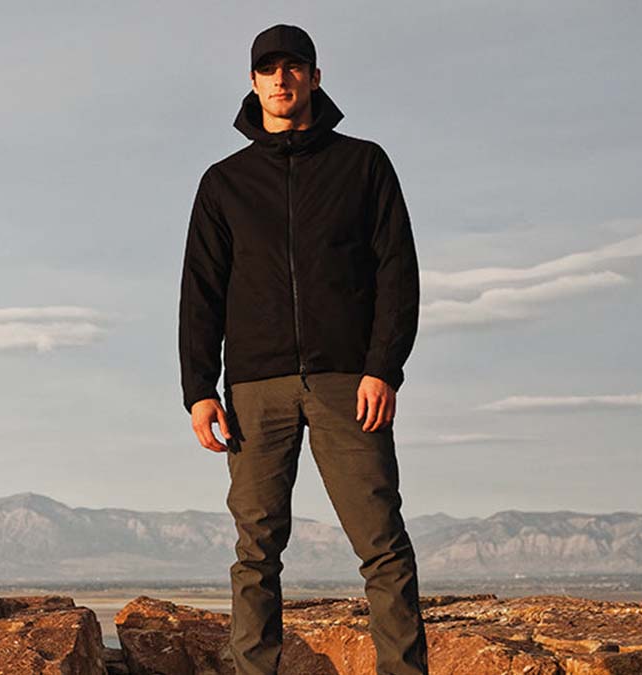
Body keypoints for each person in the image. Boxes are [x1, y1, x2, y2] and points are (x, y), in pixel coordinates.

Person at [177, 23, 429, 675]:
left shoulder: (363, 165)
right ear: (254, 82)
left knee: (381, 544)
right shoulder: (223, 183)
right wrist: (199, 387)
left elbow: (397, 271)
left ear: (315, 78)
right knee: (254, 549)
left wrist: (383, 367)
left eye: (295, 67)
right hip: (255, 389)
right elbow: (200, 290)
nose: (282, 78)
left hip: (350, 380)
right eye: (270, 68)